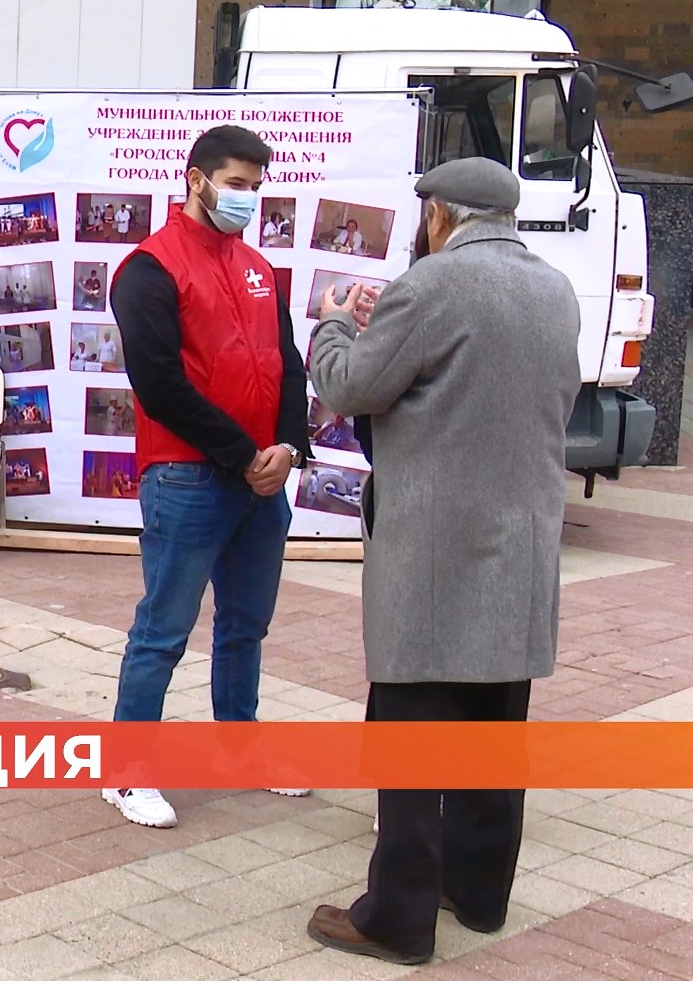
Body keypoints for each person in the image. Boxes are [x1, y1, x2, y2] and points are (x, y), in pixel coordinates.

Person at [302, 157, 580, 966]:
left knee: (414, 743)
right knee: (496, 735)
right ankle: (481, 894)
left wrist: (332, 323)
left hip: (433, 556)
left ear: (439, 217)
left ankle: (397, 918)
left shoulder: (432, 287)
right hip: (520, 548)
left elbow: (352, 387)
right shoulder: (553, 288)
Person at [102, 124, 313, 829]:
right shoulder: (148, 268)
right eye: (236, 183)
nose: (247, 197)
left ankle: (239, 749)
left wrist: (286, 445)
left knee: (245, 626)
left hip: (261, 479)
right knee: (164, 629)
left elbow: (287, 362)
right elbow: (159, 385)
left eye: (256, 187)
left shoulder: (256, 267)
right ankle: (128, 773)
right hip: (190, 478)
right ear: (196, 179)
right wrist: (241, 453)